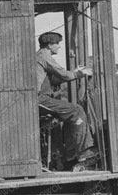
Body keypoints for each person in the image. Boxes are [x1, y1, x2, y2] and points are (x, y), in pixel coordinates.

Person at [37, 31, 95, 168]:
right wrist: (80, 73)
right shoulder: (44, 56)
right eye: (57, 44)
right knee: (77, 111)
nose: (59, 47)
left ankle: (70, 154)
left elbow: (55, 78)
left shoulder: (39, 56)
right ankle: (84, 152)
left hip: (40, 98)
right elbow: (64, 75)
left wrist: (75, 73)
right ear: (50, 45)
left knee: (69, 114)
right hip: (40, 99)